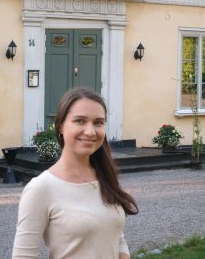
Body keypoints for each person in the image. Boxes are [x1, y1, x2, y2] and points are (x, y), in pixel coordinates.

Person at [12, 87, 138, 259]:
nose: (90, 131)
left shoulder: (104, 176)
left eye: (98, 122)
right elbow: (23, 256)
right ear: (61, 126)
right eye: (80, 121)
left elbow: (115, 235)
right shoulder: (41, 188)